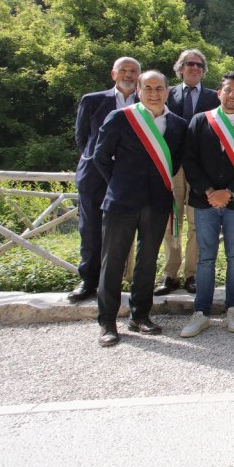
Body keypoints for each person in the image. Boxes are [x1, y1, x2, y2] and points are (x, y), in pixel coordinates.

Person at [92, 71, 186, 347]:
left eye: (159, 88)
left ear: (168, 91)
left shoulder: (178, 124)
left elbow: (175, 162)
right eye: (148, 88)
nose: (154, 93)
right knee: (113, 261)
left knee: (147, 261)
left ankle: (140, 315)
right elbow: (100, 156)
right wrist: (120, 184)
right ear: (139, 91)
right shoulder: (121, 118)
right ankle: (107, 320)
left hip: (157, 202)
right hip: (121, 202)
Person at [180, 72, 234, 338]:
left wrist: (228, 192)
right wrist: (209, 191)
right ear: (219, 93)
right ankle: (201, 311)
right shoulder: (200, 121)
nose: (232, 95)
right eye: (227, 90)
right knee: (206, 257)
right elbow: (189, 160)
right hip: (203, 201)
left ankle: (233, 307)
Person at [68, 56, 140, 303]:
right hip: (94, 176)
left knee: (124, 229)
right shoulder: (93, 101)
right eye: (124, 70)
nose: (128, 75)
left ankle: (117, 281)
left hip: (130, 177)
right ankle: (88, 279)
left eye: (133, 71)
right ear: (113, 74)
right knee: (89, 228)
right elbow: (83, 139)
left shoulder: (146, 101)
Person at [154, 49, 220, 296]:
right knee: (171, 221)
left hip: (202, 171)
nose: (195, 68)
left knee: (197, 223)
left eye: (200, 65)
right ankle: (170, 274)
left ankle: (192, 274)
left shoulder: (215, 98)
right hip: (172, 168)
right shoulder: (164, 93)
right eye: (190, 64)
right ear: (180, 68)